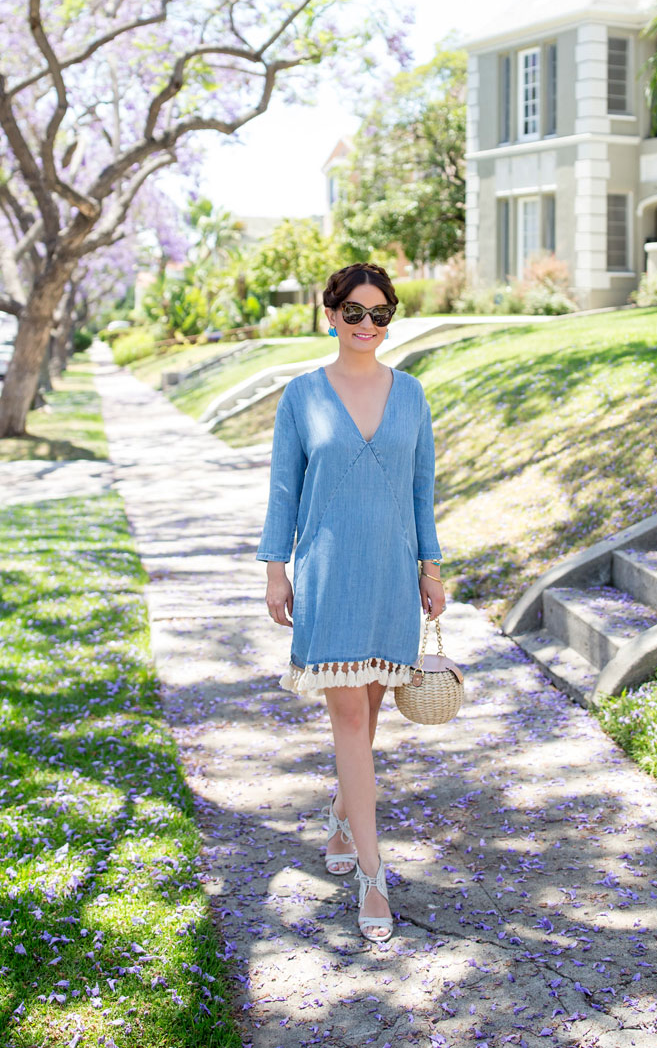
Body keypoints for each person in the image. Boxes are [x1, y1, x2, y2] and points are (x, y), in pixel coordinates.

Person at [256, 261, 447, 943]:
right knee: (348, 721)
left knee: (367, 721)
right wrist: (276, 571)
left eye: (381, 314)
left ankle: (342, 816)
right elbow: (283, 491)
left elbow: (423, 491)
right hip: (330, 580)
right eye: (355, 313)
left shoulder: (413, 395)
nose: (368, 325)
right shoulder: (302, 397)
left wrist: (431, 567)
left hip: (393, 580)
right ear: (330, 315)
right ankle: (373, 874)